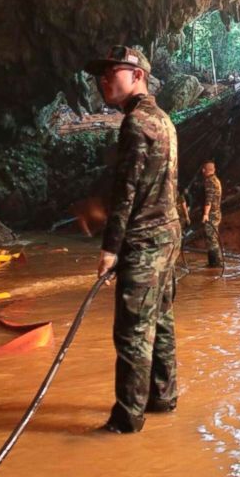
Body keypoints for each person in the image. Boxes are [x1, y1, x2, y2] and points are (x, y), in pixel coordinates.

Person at [86, 45, 181, 433]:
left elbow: (126, 192)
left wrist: (110, 248)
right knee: (160, 319)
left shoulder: (135, 124)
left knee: (131, 333)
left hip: (143, 240)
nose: (104, 79)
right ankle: (163, 396)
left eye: (113, 72)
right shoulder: (163, 119)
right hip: (167, 235)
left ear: (138, 75)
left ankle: (126, 420)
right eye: (101, 74)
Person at [200, 161, 223, 267]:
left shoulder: (209, 181)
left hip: (212, 214)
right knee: (213, 237)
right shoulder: (216, 181)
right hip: (217, 212)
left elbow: (208, 199)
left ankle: (215, 263)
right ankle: (214, 262)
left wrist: (205, 214)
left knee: (211, 237)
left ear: (204, 170)